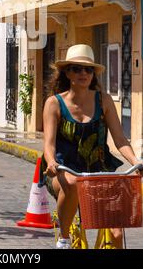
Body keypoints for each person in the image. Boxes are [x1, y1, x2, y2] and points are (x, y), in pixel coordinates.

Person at [42, 44, 143, 249]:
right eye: (77, 68)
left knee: (116, 231)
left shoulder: (104, 100)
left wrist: (136, 162)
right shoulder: (54, 103)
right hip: (63, 169)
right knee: (71, 184)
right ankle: (64, 239)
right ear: (68, 72)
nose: (83, 73)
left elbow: (120, 140)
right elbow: (49, 144)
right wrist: (52, 162)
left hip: (98, 172)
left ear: (93, 74)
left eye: (88, 69)